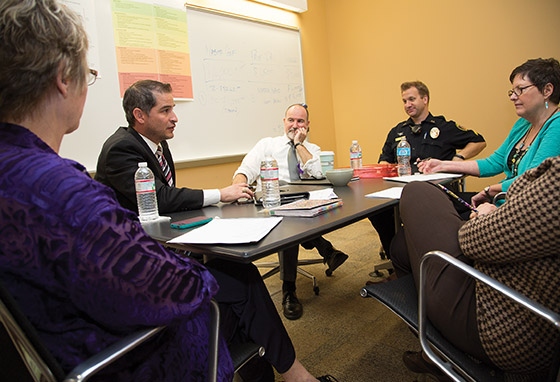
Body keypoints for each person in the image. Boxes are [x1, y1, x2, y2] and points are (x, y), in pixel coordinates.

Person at [0, 2, 336, 381]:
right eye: (89, 74)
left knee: (233, 281)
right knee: (235, 278)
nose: (174, 117)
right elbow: (178, 288)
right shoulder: (63, 193)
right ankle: (294, 375)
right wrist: (199, 262)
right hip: (129, 355)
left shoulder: (18, 172)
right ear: (63, 76)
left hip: (63, 341)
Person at [390, 156, 560, 382]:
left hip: (510, 329)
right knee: (401, 246)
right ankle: (434, 352)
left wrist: (486, 216)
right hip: (523, 297)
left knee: (418, 191)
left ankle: (439, 353)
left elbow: (473, 241)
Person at [232, 104, 349, 320]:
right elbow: (245, 170)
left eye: (301, 122)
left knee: (295, 221)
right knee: (289, 227)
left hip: (303, 203)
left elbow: (316, 173)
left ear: (307, 125)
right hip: (271, 204)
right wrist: (238, 188)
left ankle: (322, 251)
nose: (295, 125)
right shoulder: (267, 145)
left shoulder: (312, 149)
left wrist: (298, 145)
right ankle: (290, 289)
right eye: (291, 120)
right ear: (284, 121)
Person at [369, 81, 486, 276]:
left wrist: (458, 158)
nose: (407, 104)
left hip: (435, 193)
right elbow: (383, 162)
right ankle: (396, 259)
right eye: (404, 101)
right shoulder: (397, 131)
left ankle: (423, 260)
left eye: (412, 99)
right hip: (401, 189)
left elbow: (479, 141)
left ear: (425, 99)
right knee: (376, 211)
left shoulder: (443, 127)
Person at [95, 81, 252, 214]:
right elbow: (160, 198)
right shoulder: (121, 148)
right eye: (165, 111)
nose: (174, 118)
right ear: (140, 116)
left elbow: (169, 198)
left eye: (172, 109)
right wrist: (220, 194)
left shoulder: (159, 143)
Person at [419, 58, 560, 206]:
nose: (513, 97)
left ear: (547, 90)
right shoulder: (523, 124)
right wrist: (442, 165)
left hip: (520, 209)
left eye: (520, 90)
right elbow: (494, 163)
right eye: (513, 91)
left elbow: (532, 179)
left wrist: (489, 191)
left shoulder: (556, 125)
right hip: (502, 202)